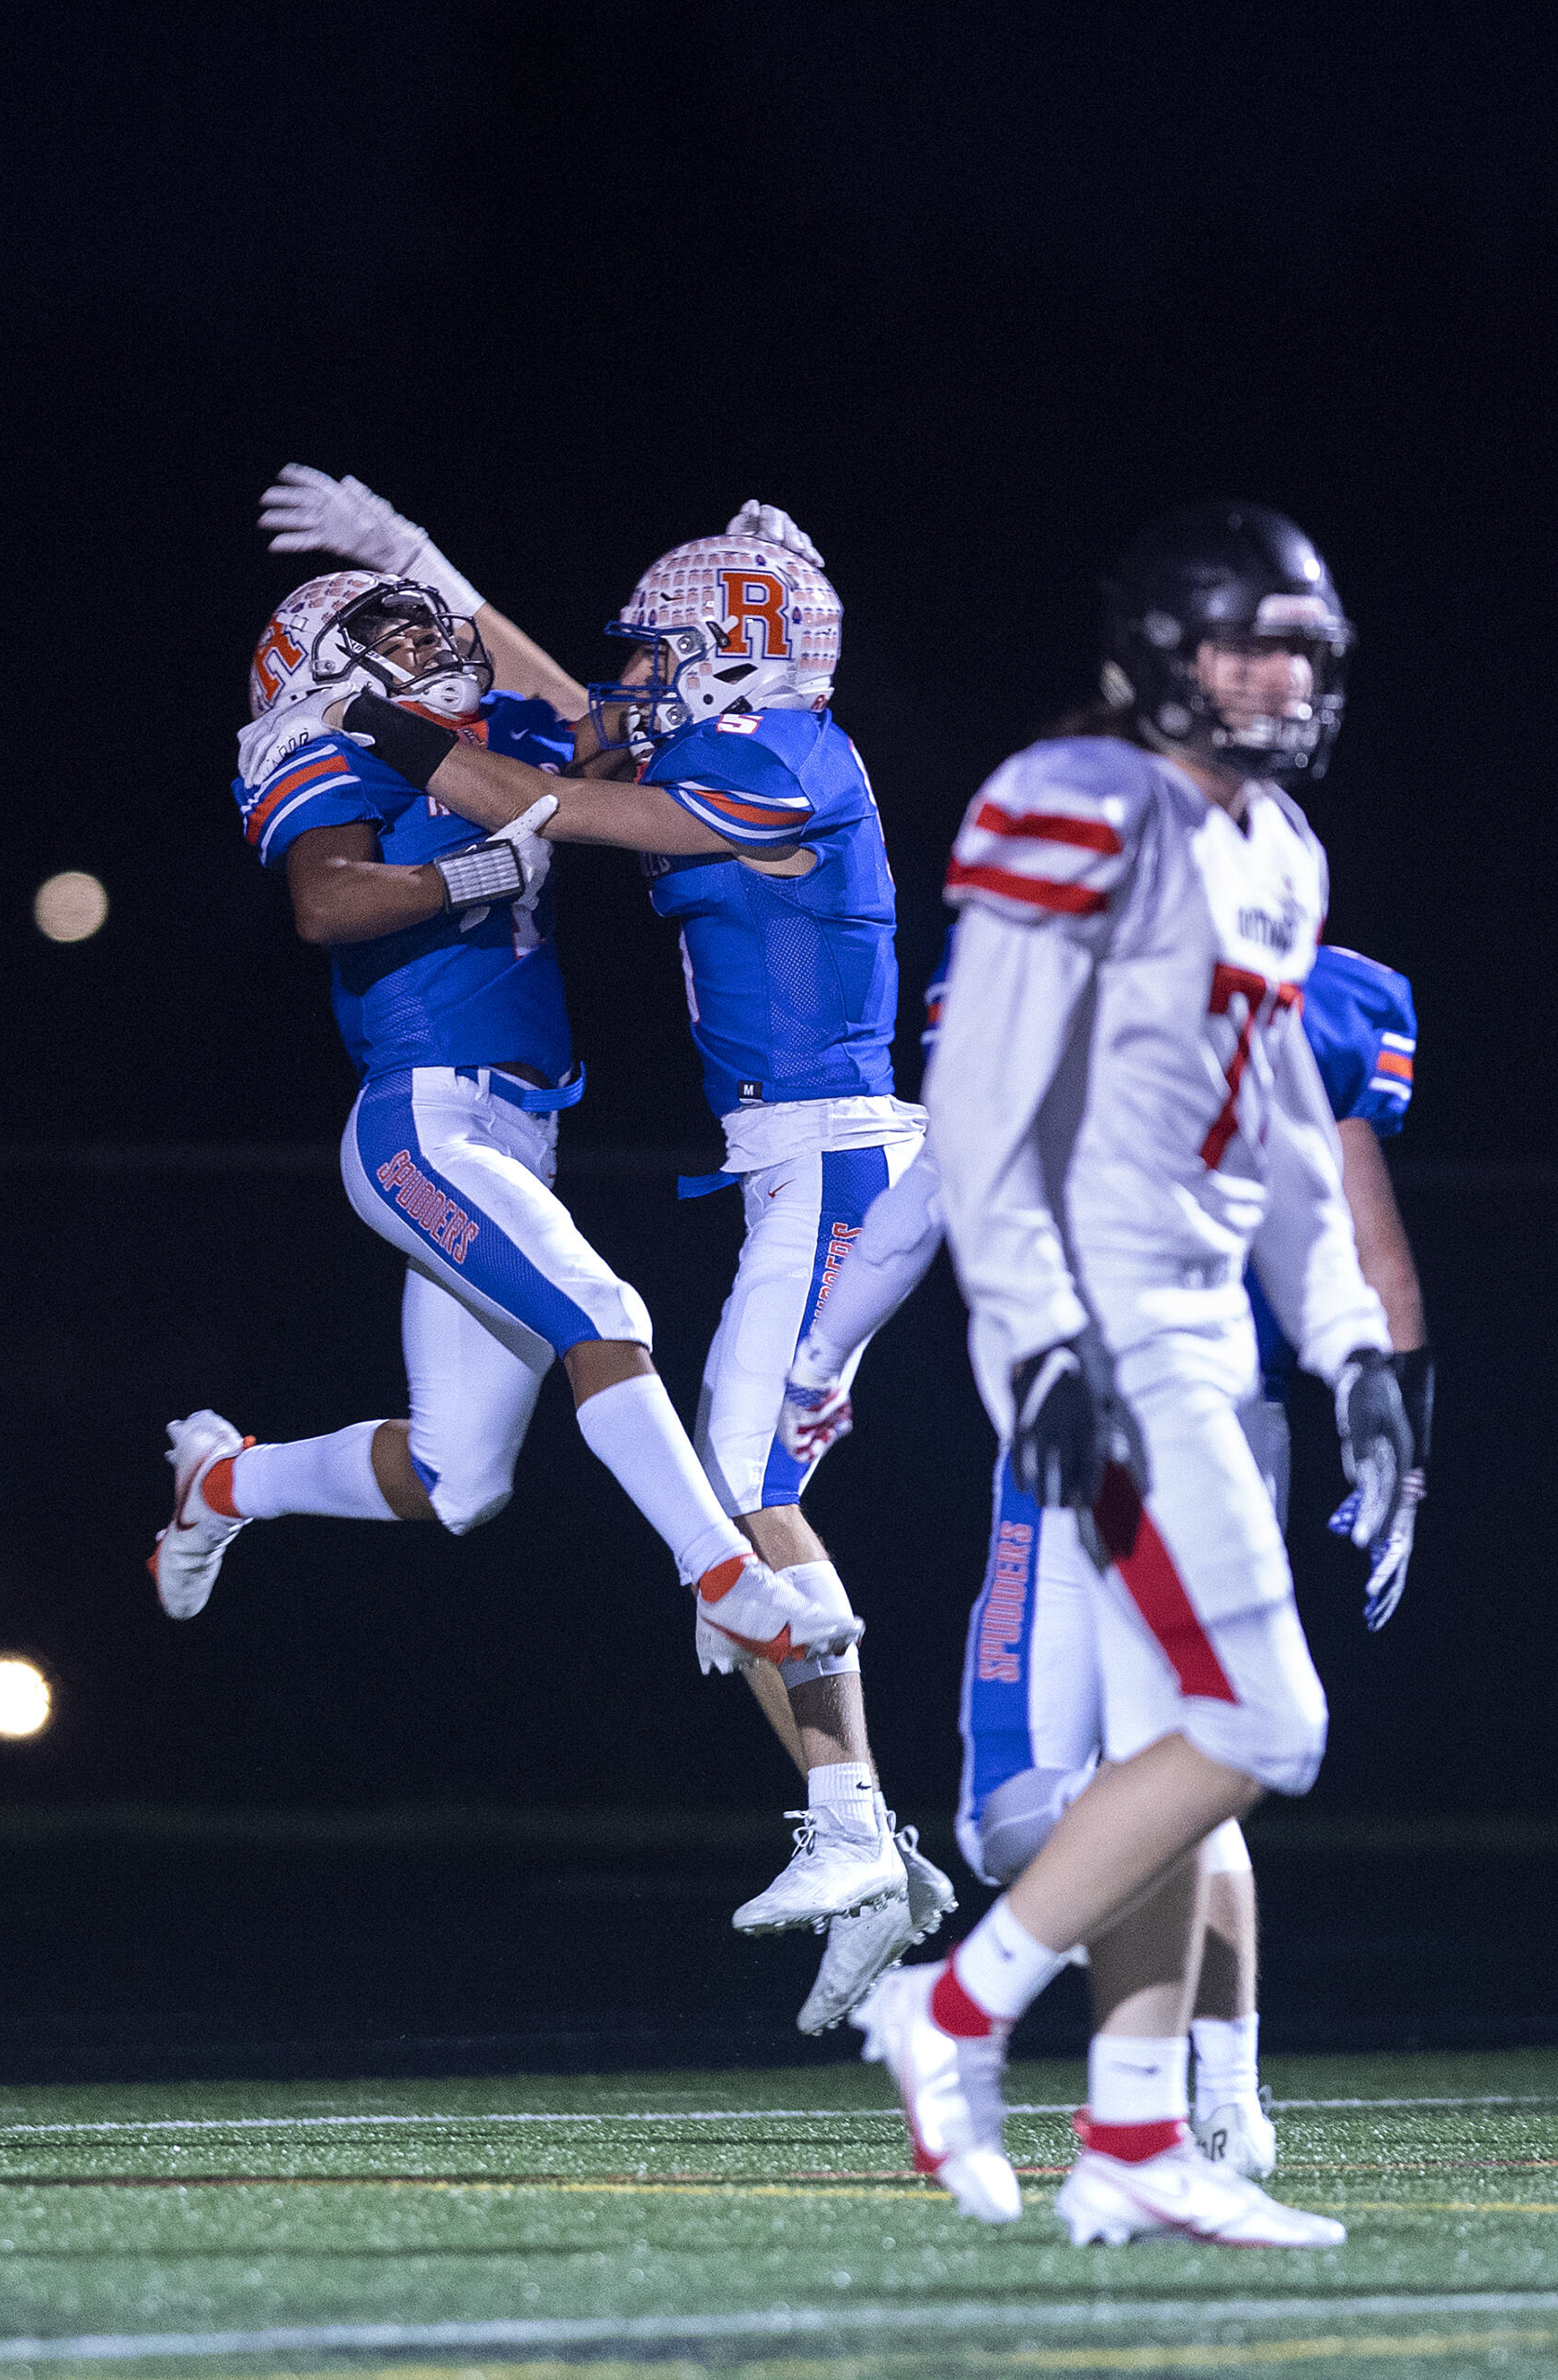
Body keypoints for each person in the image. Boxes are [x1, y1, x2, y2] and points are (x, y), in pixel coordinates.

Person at [247, 469, 956, 2014]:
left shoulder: (777, 761)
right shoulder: (739, 739)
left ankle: (852, 1828)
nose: (633, 673)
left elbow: (552, 800)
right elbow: (565, 721)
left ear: (729, 657)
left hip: (834, 1163)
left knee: (742, 1486)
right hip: (793, 1167)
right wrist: (422, 560)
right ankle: (865, 1842)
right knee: (729, 1492)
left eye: (661, 647)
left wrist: (366, 720)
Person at [850, 501, 1410, 2247]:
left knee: (1179, 1731)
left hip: (1205, 1312)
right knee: (1264, 1721)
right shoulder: (1067, 803)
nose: (1271, 678)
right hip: (1101, 1311)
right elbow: (984, 1103)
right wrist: (1034, 1334)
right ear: (1157, 651)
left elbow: (1292, 1151)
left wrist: (1350, 1355)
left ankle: (1132, 2142)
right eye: (1241, 641)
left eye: (1297, 648)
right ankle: (947, 2010)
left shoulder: (1280, 852)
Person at [779, 929, 1431, 2160]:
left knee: (1017, 1817)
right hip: (1238, 1418)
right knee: (1185, 1762)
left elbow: (930, 1198)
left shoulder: (1033, 970)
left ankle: (965, 2005)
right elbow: (1356, 1247)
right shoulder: (1316, 989)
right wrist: (1403, 1432)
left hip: (1099, 1420)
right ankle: (1205, 2111)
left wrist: (816, 1361)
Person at [151, 565, 853, 1699]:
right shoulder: (328, 748)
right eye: (388, 629)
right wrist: (467, 872)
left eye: (421, 620)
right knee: (605, 1312)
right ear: (320, 668)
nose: (424, 639)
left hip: (521, 1127)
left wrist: (430, 559)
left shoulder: (484, 734)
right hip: (420, 1120)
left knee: (458, 1476)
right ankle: (723, 1576)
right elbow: (327, 903)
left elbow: (591, 730)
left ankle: (225, 1485)